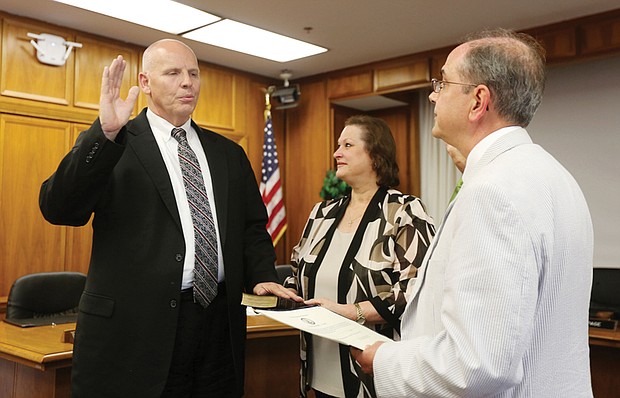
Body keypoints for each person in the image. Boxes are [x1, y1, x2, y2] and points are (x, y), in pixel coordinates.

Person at [39, 39, 300, 398]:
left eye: (193, 73)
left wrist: (261, 277)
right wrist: (105, 133)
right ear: (145, 83)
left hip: (218, 325)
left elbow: (251, 227)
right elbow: (58, 208)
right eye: (173, 73)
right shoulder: (116, 142)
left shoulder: (228, 153)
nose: (187, 82)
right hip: (137, 330)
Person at [352, 29, 594, 397]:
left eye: (443, 82)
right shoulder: (554, 176)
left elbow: (476, 364)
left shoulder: (492, 191)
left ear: (478, 100)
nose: (433, 94)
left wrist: (384, 359)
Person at [285, 115, 436, 397]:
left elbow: (416, 291)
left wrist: (351, 312)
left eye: (348, 144)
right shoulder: (322, 214)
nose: (336, 152)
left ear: (375, 155)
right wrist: (282, 293)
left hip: (373, 375)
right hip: (318, 371)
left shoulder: (405, 212)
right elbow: (296, 274)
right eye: (337, 144)